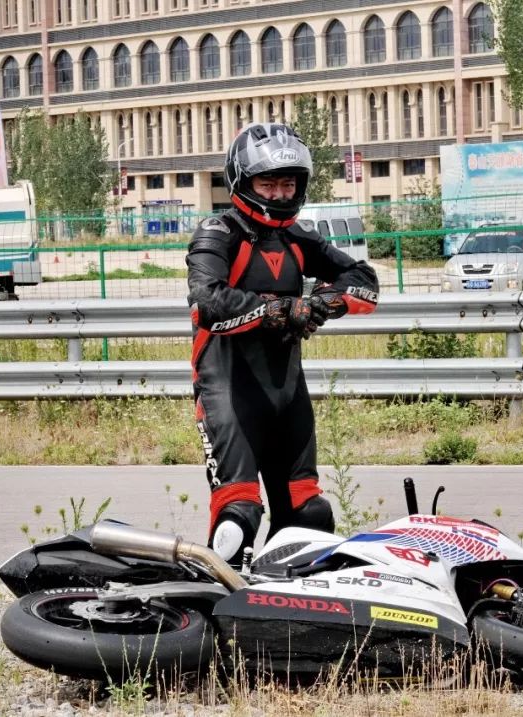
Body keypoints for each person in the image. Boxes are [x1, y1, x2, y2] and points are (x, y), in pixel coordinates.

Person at [186, 123, 379, 565]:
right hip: (227, 392)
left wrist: (325, 302)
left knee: (309, 512)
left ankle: (285, 599)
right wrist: (279, 309)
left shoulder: (297, 237)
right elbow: (206, 304)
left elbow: (365, 282)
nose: (278, 194)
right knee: (239, 514)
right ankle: (214, 597)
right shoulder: (217, 232)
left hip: (287, 394)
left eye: (287, 184)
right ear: (242, 181)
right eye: (267, 184)